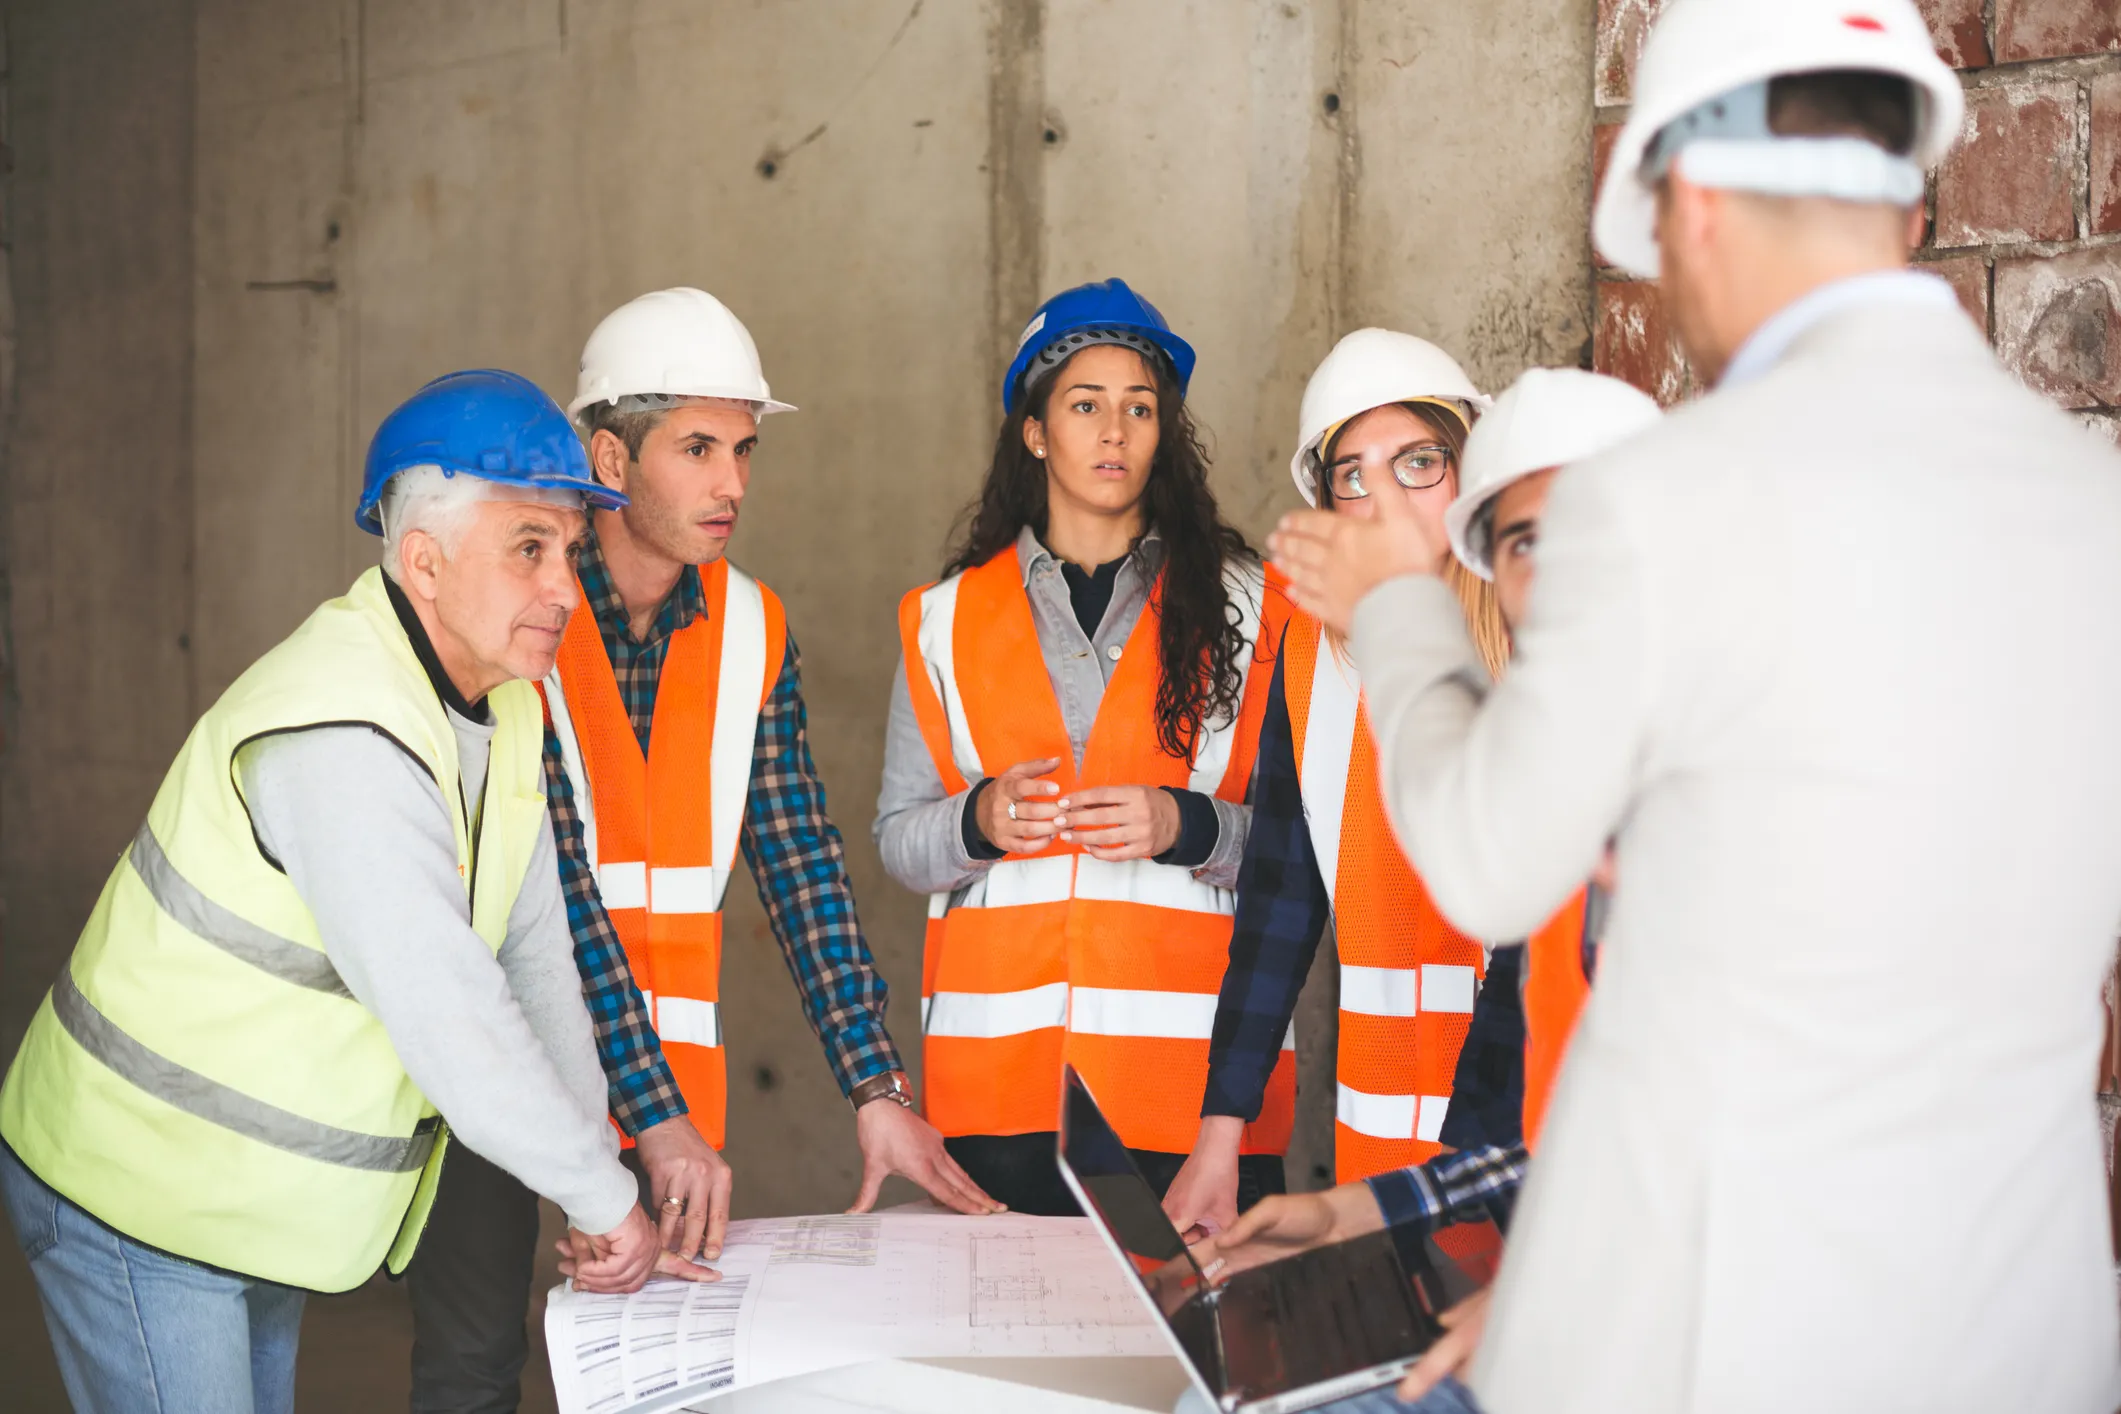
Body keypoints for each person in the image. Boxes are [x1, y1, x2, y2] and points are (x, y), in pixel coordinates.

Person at [1267, 0, 2121, 1408]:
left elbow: (1489, 861)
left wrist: (1397, 606)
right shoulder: (2091, 514)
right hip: (2005, 1332)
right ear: (1906, 214)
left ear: (1699, 207)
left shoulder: (1666, 506)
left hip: (1715, 1336)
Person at [0, 370, 707, 1414]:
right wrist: (609, 1200)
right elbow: (449, 1012)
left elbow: (537, 962)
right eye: (528, 547)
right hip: (139, 1186)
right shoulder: (341, 733)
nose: (564, 583)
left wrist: (591, 1188)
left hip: (248, 1199)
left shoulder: (505, 708)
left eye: (567, 547)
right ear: (423, 560)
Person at [408, 290, 1000, 1412]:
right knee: (473, 1366)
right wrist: (651, 1115)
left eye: (742, 449)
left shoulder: (753, 629)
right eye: (697, 448)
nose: (732, 482)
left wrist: (875, 1084)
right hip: (493, 1062)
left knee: (657, 1378)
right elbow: (562, 888)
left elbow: (801, 866)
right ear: (607, 455)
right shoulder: (522, 612)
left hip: (669, 1095)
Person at [1197, 368, 1664, 1414]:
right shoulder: (1568, 755)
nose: (1559, 572)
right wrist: (1353, 1210)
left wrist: (1559, 1289)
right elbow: (1555, 1123)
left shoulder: (1720, 759)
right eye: (1525, 543)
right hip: (1471, 1206)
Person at [877, 278, 1294, 1215]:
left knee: (1188, 1366)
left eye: (1139, 408)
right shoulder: (940, 620)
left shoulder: (1256, 609)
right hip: (997, 1101)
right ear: (1036, 432)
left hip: (1198, 1103)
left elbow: (1302, 852)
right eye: (1085, 405)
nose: (1115, 431)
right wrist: (978, 820)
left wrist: (1184, 824)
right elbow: (899, 841)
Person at [1161, 330, 1506, 1241]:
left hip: (1528, 1121)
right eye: (1351, 475)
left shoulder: (1534, 623)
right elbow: (1279, 897)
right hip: (1382, 1132)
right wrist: (1220, 1131)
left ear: (1473, 466)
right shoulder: (1313, 649)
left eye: (1416, 463)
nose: (1382, 500)